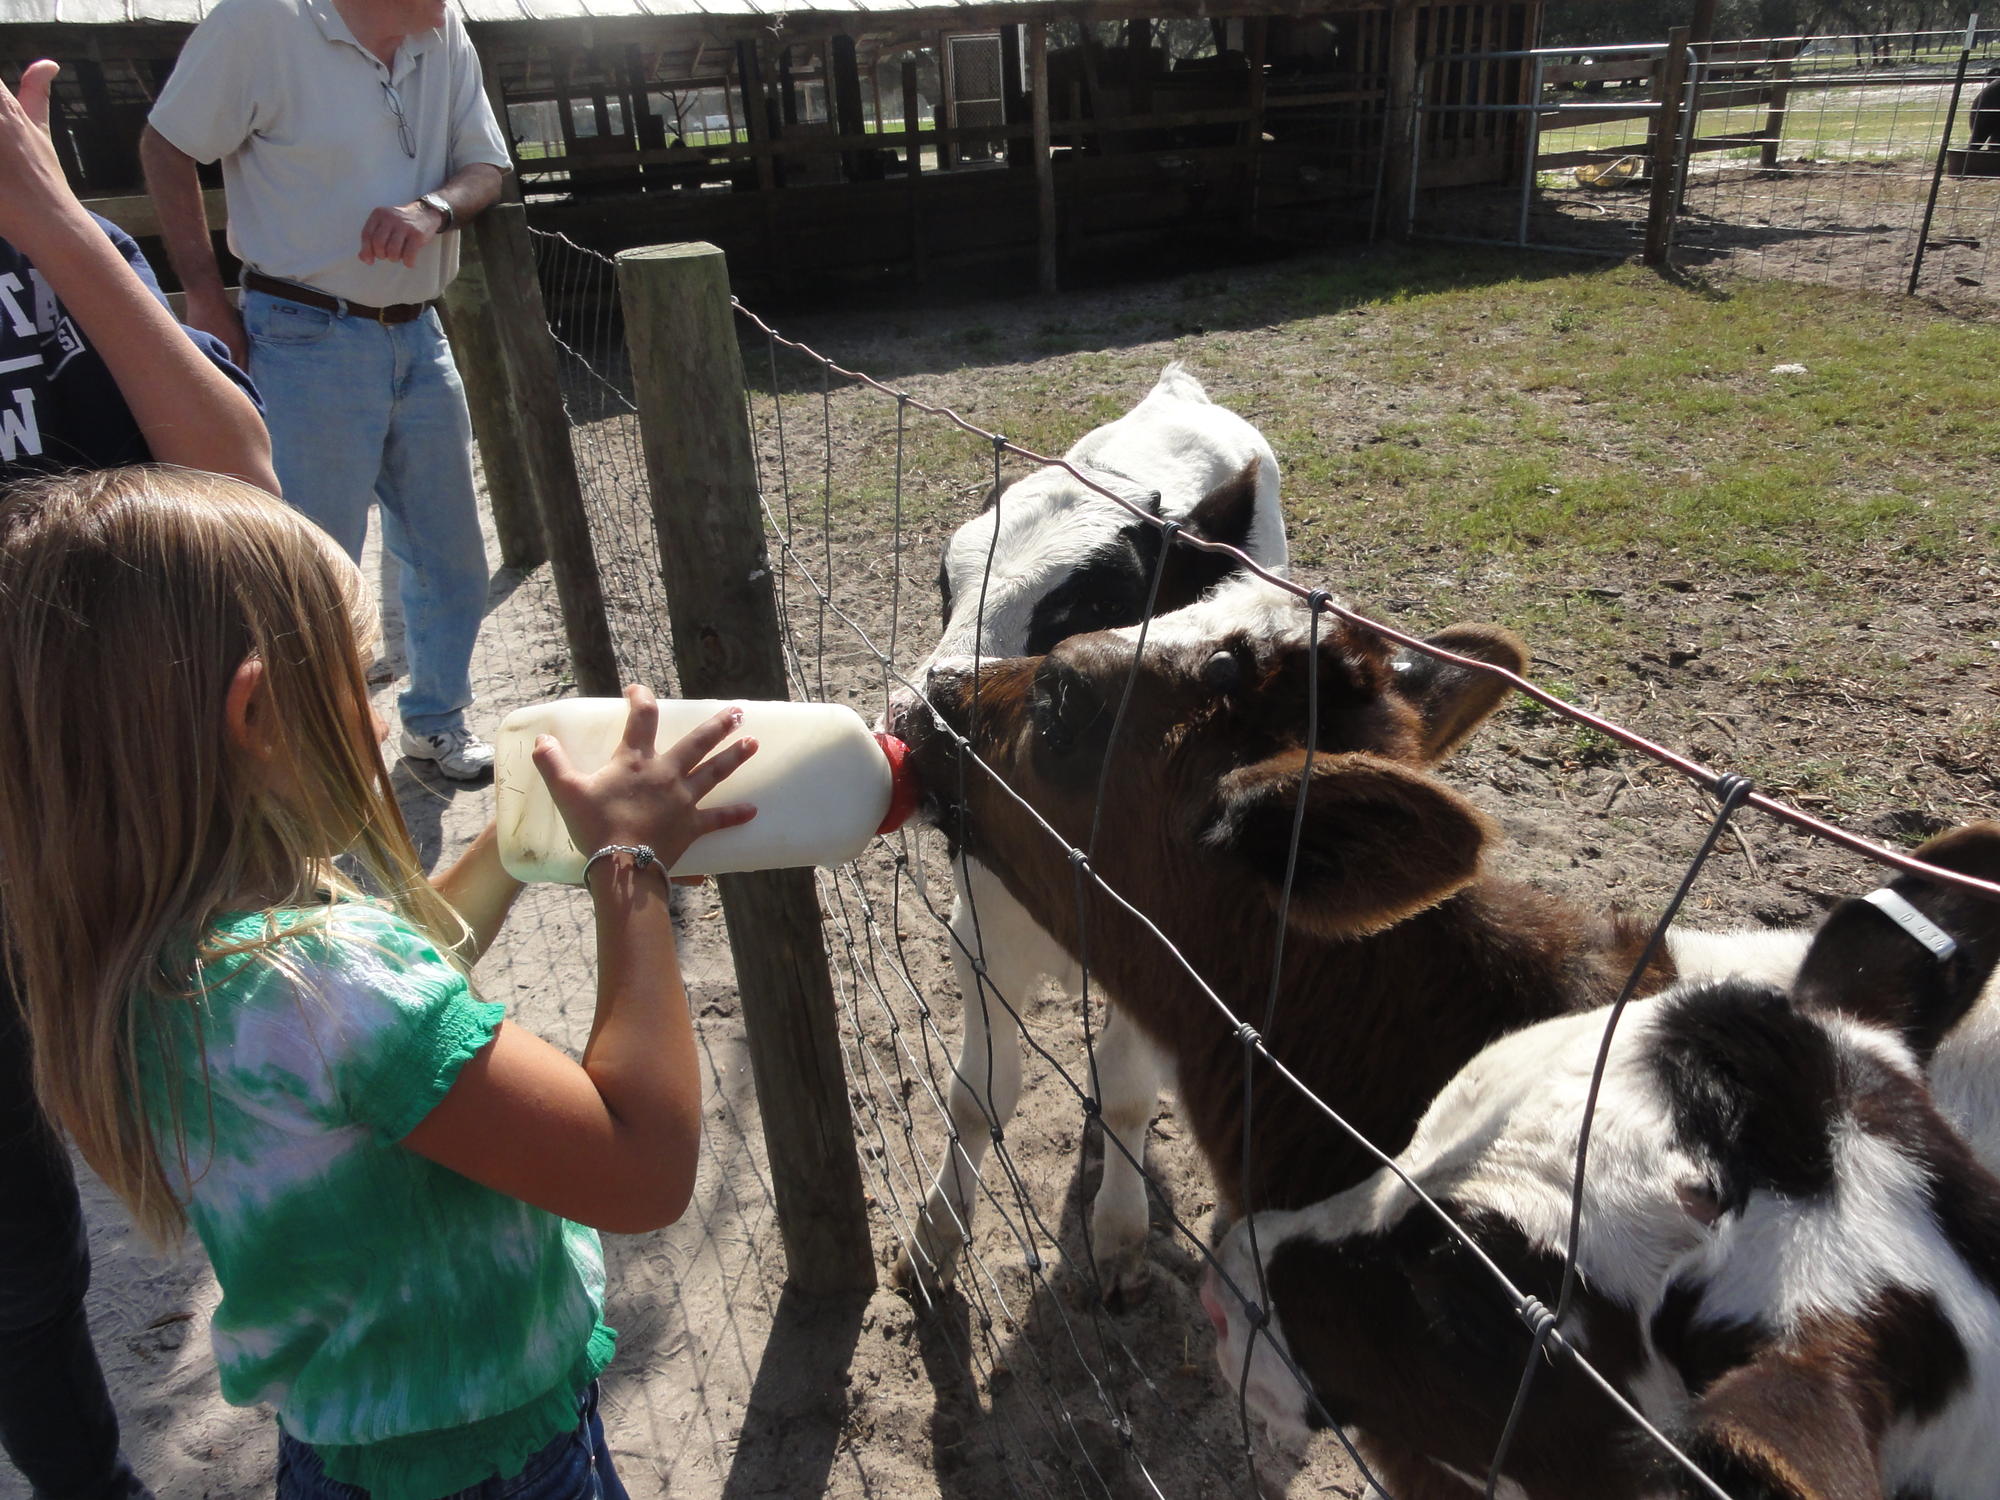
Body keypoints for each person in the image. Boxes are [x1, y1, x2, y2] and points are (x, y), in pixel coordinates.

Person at [0, 467, 757, 1500]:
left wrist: (517, 837)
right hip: (497, 1464)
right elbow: (640, 1172)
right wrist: (633, 875)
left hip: (346, 1450)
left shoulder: (143, 958)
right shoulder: (326, 982)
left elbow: (377, 1022)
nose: (378, 702)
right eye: (362, 673)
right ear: (260, 712)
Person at [0, 57, 273, 1500]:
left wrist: (56, 230)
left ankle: (365, 1427)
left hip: (134, 809)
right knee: (18, 1254)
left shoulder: (50, 243)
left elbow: (238, 473)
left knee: (263, 1142)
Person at [140, 0, 514, 780]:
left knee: (452, 556)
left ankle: (434, 723)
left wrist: (432, 208)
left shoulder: (442, 32)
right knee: (307, 569)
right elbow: (167, 145)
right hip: (302, 332)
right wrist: (204, 296)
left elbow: (488, 166)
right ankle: (306, 760)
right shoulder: (260, 22)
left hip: (418, 328)